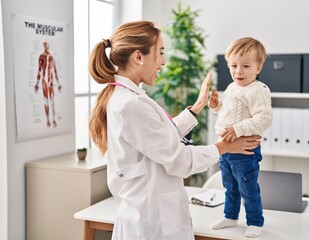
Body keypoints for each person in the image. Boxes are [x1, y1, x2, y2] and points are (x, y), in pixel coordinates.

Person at [88, 21, 261, 240]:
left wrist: (197, 108)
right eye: (160, 52)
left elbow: (158, 138)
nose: (163, 61)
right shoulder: (131, 105)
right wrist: (224, 147)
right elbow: (179, 160)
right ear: (138, 57)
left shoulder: (124, 96)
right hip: (152, 224)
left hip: (149, 216)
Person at [209, 37, 272, 238]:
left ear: (258, 68)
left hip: (244, 151)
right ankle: (231, 216)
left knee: (247, 187)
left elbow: (264, 118)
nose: (239, 71)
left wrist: (237, 129)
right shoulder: (231, 88)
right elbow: (229, 113)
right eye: (233, 66)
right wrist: (216, 106)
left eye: (246, 66)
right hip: (226, 148)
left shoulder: (257, 90)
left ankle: (255, 221)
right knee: (229, 186)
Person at [34, 41, 62, 127]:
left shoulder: (51, 57)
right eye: (45, 45)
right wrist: (37, 84)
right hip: (44, 82)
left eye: (47, 45)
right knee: (46, 101)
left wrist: (58, 83)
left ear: (48, 46)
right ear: (43, 46)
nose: (46, 47)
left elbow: (55, 70)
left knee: (52, 101)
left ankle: (53, 120)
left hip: (50, 81)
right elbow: (39, 70)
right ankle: (48, 120)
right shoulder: (41, 57)